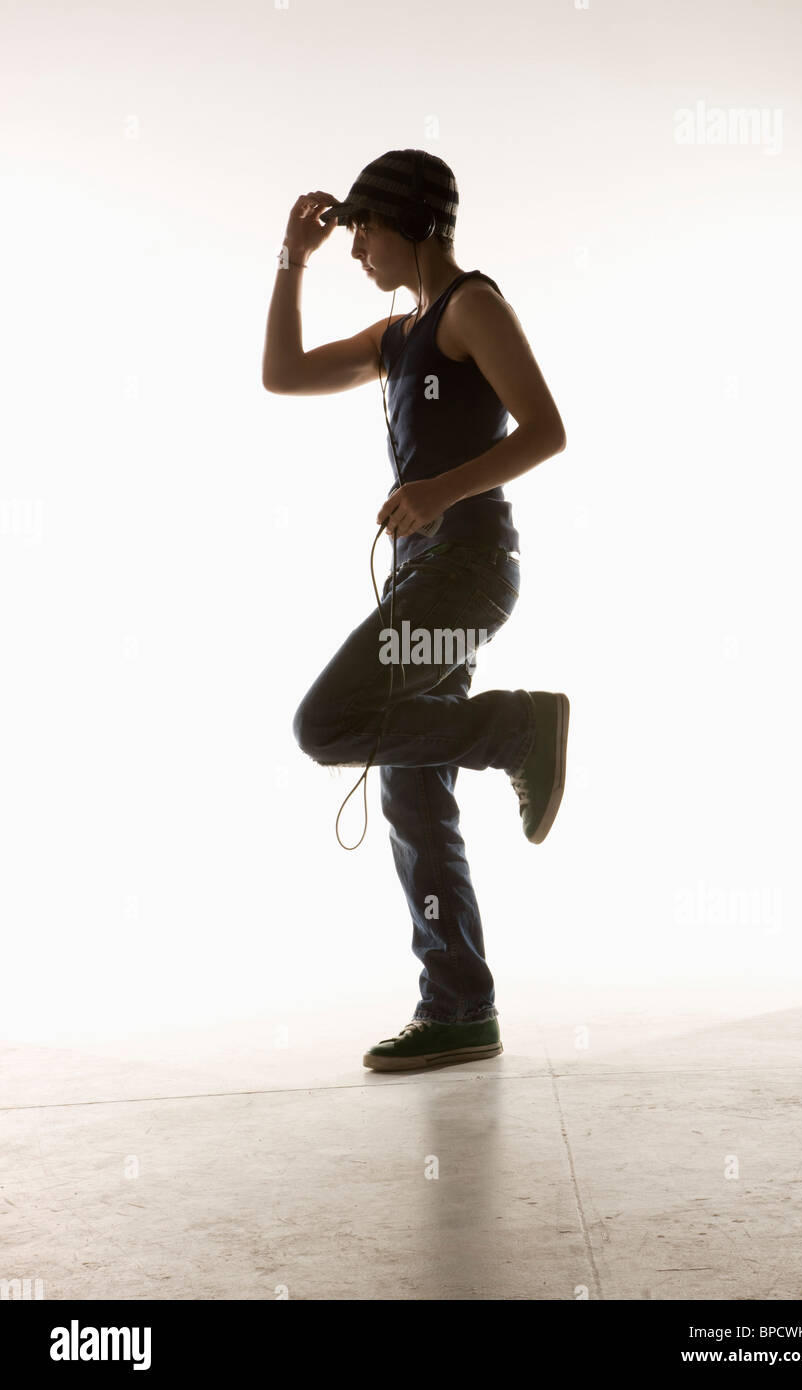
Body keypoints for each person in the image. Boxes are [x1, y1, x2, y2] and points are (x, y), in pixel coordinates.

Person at [262, 149, 569, 1072]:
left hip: (467, 571)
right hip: (418, 577)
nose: (356, 245)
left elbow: (547, 429)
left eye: (365, 228)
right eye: (348, 231)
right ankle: (459, 1011)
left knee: (329, 725)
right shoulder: (397, 337)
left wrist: (436, 492)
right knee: (411, 789)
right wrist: (292, 259)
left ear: (417, 225)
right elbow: (280, 375)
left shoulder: (473, 307)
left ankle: (520, 728)